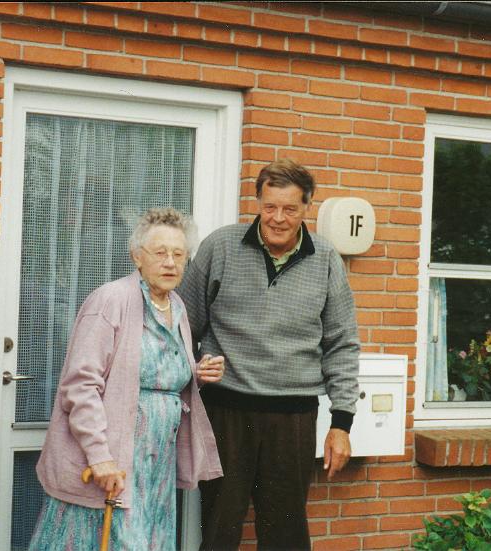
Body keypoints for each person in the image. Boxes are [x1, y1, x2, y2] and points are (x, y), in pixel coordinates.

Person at [178, 159, 360, 551]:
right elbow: (182, 325)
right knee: (218, 528)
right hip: (225, 412)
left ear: (306, 208)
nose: (277, 218)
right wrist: (190, 377)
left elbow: (342, 344)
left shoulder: (327, 259)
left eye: (289, 209)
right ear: (258, 202)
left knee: (286, 535)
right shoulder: (220, 246)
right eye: (269, 206)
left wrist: (341, 423)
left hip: (292, 416)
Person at [30, 208, 224, 550]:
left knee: (147, 540)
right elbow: (80, 384)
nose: (170, 262)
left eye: (179, 254)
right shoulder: (111, 300)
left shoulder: (176, 306)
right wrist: (99, 456)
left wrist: (196, 372)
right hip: (114, 457)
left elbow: (152, 369)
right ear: (137, 256)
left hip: (155, 464)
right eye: (160, 252)